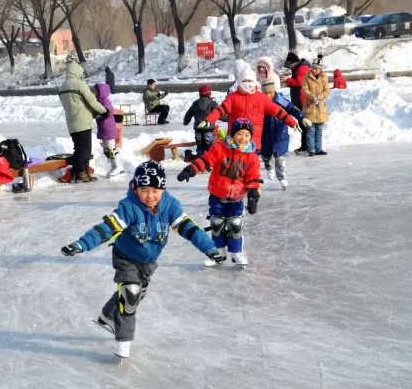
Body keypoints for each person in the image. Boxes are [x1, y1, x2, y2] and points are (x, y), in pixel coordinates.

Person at [60, 161, 222, 358]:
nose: (150, 196)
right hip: (125, 257)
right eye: (144, 190)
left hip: (148, 262)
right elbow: (106, 229)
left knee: (136, 293)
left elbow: (190, 229)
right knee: (131, 293)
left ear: (163, 189)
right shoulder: (128, 207)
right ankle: (123, 341)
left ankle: (108, 316)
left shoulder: (170, 206)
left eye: (155, 190)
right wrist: (80, 244)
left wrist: (210, 248)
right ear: (136, 188)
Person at [177, 119, 261, 267]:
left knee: (236, 225)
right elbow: (205, 161)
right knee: (217, 224)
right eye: (240, 134)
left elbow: (253, 178)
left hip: (237, 197)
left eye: (247, 135)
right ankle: (218, 253)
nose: (243, 138)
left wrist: (253, 197)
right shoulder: (220, 149)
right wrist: (190, 169)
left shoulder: (251, 157)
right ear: (233, 134)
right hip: (217, 195)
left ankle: (236, 253)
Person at [197, 68, 298, 151]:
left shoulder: (262, 98)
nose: (247, 83)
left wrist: (292, 122)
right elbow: (221, 110)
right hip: (234, 141)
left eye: (250, 81)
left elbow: (278, 111)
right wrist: (209, 120)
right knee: (235, 170)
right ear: (240, 81)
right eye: (245, 81)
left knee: (250, 170)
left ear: (254, 82)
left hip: (252, 142)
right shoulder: (233, 97)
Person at [59, 61, 111, 183]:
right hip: (83, 122)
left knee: (78, 148)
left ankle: (77, 173)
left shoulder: (62, 87)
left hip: (71, 122)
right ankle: (82, 173)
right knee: (85, 150)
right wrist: (104, 111)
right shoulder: (80, 85)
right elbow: (92, 101)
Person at [261, 78, 311, 189]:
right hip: (264, 135)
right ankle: (268, 166)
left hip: (279, 134)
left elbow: (293, 109)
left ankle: (282, 177)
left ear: (274, 91)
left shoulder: (281, 100)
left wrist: (302, 118)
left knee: (279, 157)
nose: (268, 95)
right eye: (265, 93)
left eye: (270, 92)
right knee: (266, 155)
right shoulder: (260, 102)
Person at [301, 54, 330, 157]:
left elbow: (327, 90)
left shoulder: (324, 77)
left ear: (320, 69)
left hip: (321, 107)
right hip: (310, 106)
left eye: (316, 68)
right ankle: (311, 149)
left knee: (319, 130)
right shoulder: (307, 76)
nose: (313, 70)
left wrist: (320, 97)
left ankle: (318, 149)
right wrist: (312, 97)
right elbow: (304, 89)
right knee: (310, 130)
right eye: (312, 67)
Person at [284, 52, 311, 153]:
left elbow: (299, 82)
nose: (289, 67)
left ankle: (307, 145)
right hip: (299, 100)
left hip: (302, 100)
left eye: (289, 64)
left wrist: (288, 80)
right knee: (302, 123)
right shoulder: (298, 68)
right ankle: (305, 145)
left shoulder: (302, 68)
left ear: (293, 62)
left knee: (304, 123)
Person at [94, 84, 123, 177]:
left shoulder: (105, 102)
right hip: (104, 129)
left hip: (108, 129)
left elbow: (106, 112)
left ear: (101, 92)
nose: (94, 93)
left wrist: (97, 115)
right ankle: (115, 166)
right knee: (107, 150)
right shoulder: (100, 101)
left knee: (110, 149)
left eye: (96, 92)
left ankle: (117, 166)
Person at [183, 85, 219, 158]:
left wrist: (186, 121)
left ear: (200, 94)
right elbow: (218, 113)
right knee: (209, 147)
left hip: (198, 130)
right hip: (209, 129)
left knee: (200, 147)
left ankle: (199, 163)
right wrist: (227, 118)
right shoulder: (213, 103)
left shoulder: (195, 103)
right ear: (209, 93)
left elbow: (188, 114)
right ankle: (209, 162)